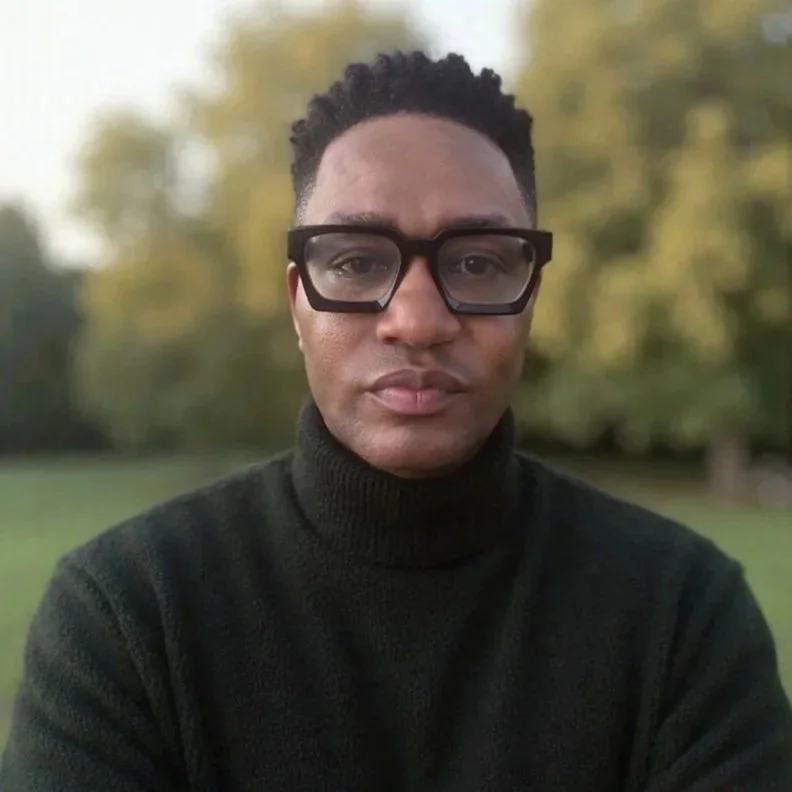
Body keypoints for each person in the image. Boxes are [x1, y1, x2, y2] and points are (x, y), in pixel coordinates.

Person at [1, 51, 791, 792]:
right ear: (297, 302)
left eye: (478, 262)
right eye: (355, 260)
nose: (417, 320)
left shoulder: (680, 616)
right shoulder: (128, 615)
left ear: (532, 297)